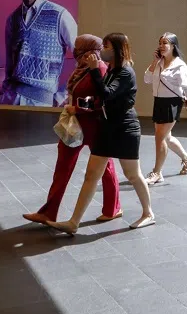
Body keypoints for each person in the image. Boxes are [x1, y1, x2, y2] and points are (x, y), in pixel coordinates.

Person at [47, 33, 154, 233]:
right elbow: (100, 100)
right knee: (91, 175)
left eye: (106, 46)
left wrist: (95, 70)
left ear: (117, 50)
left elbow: (107, 93)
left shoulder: (125, 72)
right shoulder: (112, 69)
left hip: (125, 128)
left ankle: (148, 213)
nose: (102, 50)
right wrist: (79, 106)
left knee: (132, 174)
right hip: (107, 126)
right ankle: (73, 222)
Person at [23, 35, 121, 224]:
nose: (75, 51)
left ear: (90, 50)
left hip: (95, 125)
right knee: (62, 167)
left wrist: (78, 107)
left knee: (106, 168)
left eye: (79, 48)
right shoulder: (81, 69)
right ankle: (48, 212)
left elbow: (103, 100)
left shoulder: (100, 68)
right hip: (75, 125)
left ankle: (113, 208)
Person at [0, 0, 77, 107]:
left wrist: (61, 96)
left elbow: (85, 60)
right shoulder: (12, 19)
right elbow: (9, 65)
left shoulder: (60, 15)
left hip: (41, 103)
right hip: (9, 99)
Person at [144, 33, 187, 184]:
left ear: (173, 46)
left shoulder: (179, 65)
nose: (161, 46)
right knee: (166, 137)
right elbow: (147, 79)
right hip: (158, 102)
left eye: (165, 43)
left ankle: (157, 172)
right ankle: (186, 158)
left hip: (172, 103)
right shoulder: (159, 62)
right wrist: (154, 62)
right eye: (160, 43)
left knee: (160, 137)